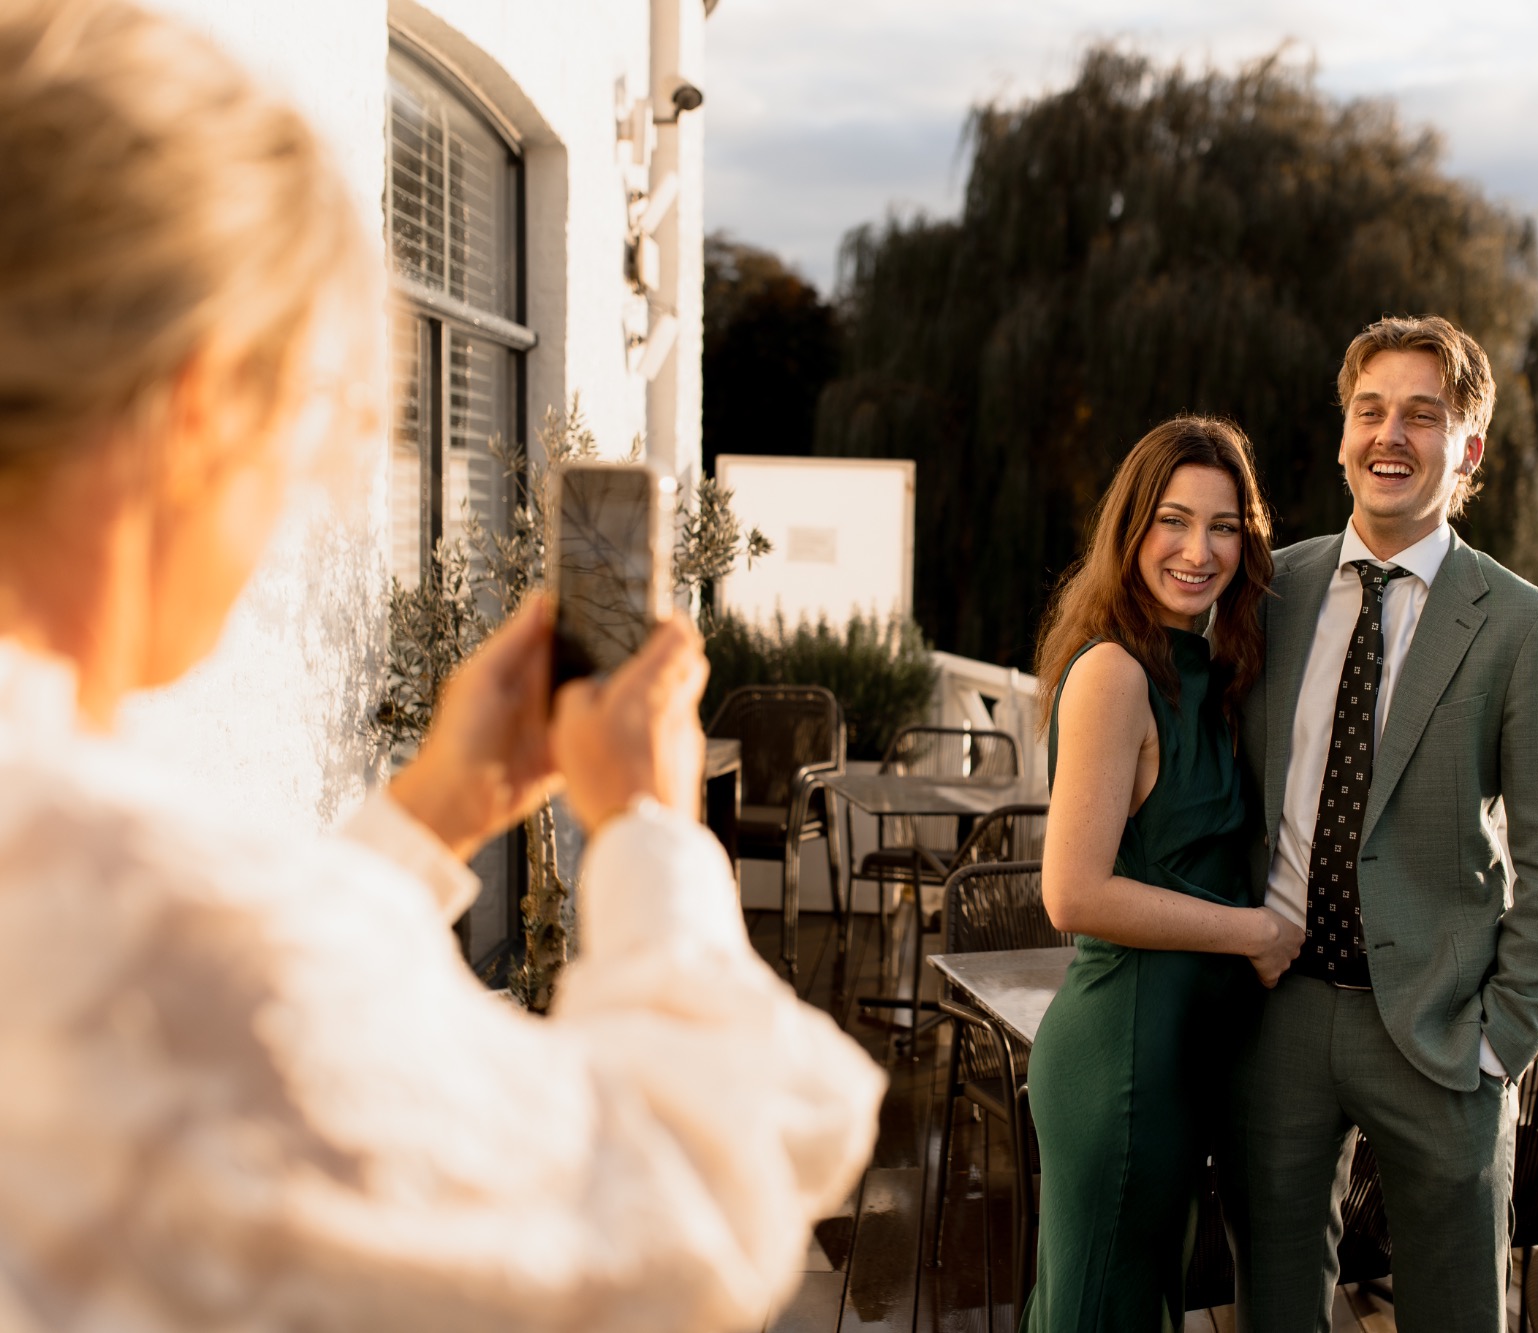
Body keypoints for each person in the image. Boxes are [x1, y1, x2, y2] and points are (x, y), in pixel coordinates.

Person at [0, 2, 884, 1329]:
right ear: (201, 404)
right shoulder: (136, 926)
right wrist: (646, 828)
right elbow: (690, 1201)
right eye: (310, 428)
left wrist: (430, 816)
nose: (298, 502)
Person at [1226, 315, 1538, 1333]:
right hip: (1276, 1014)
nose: (1390, 435)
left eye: (1423, 416)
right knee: (1271, 1305)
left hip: (1442, 1031)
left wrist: (1502, 1038)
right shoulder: (1268, 591)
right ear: (1343, 436)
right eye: (1371, 410)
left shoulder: (1525, 626)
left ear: (1467, 449)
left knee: (1454, 1312)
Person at [1025, 416, 1302, 1332]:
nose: (1197, 550)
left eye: (1224, 527)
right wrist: (1254, 930)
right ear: (1131, 527)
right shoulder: (1115, 671)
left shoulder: (1207, 670)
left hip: (1178, 1061)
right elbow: (1073, 893)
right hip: (1124, 1063)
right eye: (1173, 521)